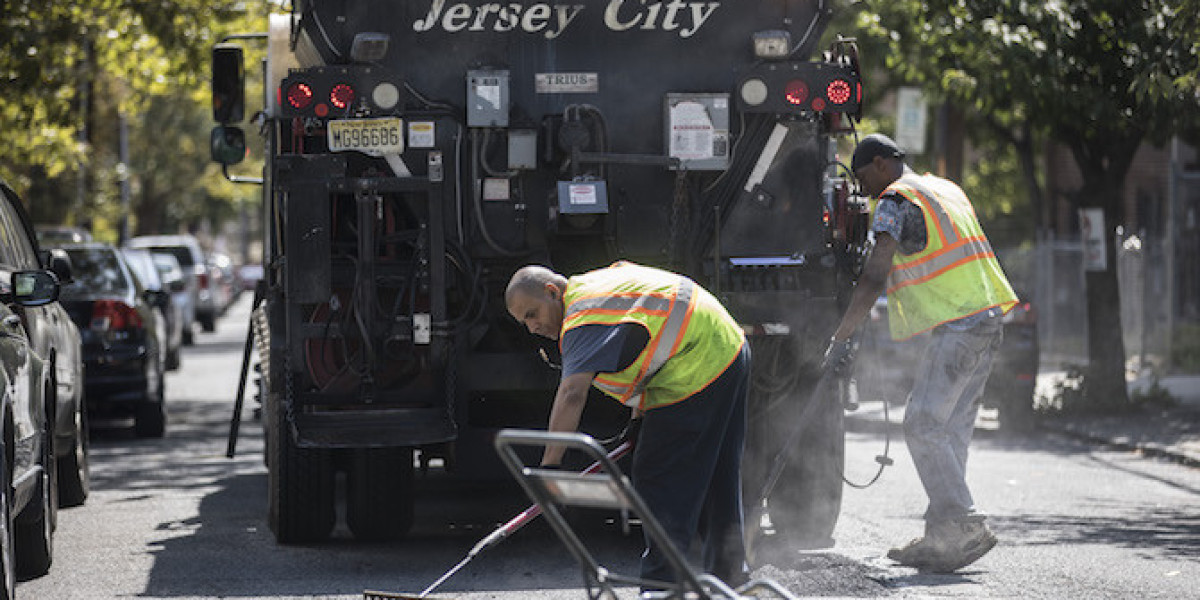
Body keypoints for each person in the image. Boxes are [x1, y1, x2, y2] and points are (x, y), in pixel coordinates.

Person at [823, 133, 1017, 573]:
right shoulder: (944, 189)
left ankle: (963, 524)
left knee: (922, 423)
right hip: (987, 318)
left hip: (961, 323)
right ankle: (942, 537)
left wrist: (841, 334)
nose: (864, 191)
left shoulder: (895, 201)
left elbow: (874, 276)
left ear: (881, 163)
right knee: (949, 432)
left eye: (863, 179)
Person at [505, 261, 751, 589]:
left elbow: (572, 395)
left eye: (532, 314)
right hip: (728, 346)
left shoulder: (580, 319)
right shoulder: (595, 286)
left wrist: (549, 467)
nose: (532, 327)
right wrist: (639, 418)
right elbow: (648, 345)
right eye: (524, 322)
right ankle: (732, 580)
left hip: (698, 364)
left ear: (552, 292)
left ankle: (661, 588)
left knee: (658, 477)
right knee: (719, 477)